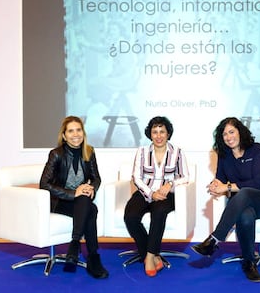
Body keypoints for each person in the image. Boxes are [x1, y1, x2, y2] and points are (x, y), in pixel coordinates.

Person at [191, 117, 260, 282]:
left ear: (240, 132)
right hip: (243, 203)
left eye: (231, 132)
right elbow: (220, 178)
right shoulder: (224, 155)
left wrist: (226, 187)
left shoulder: (257, 150)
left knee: (246, 192)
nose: (228, 137)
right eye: (224, 134)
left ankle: (215, 239)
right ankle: (249, 263)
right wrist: (215, 185)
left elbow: (257, 182)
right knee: (245, 215)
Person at [39, 116, 108, 279]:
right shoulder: (56, 154)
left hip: (80, 202)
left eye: (78, 130)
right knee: (91, 208)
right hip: (60, 202)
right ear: (64, 135)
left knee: (86, 202)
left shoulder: (89, 152)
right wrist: (73, 193)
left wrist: (92, 188)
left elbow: (96, 178)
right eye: (71, 131)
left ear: (83, 133)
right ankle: (92, 258)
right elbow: (44, 184)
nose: (75, 134)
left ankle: (75, 244)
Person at [124, 116, 189, 277]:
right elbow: (136, 177)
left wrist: (169, 185)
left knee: (159, 213)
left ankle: (150, 256)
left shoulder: (177, 152)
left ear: (168, 134)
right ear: (150, 134)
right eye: (155, 132)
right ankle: (152, 253)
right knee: (130, 217)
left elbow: (185, 176)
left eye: (162, 132)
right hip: (145, 192)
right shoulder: (142, 151)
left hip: (166, 196)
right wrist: (151, 193)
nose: (158, 136)